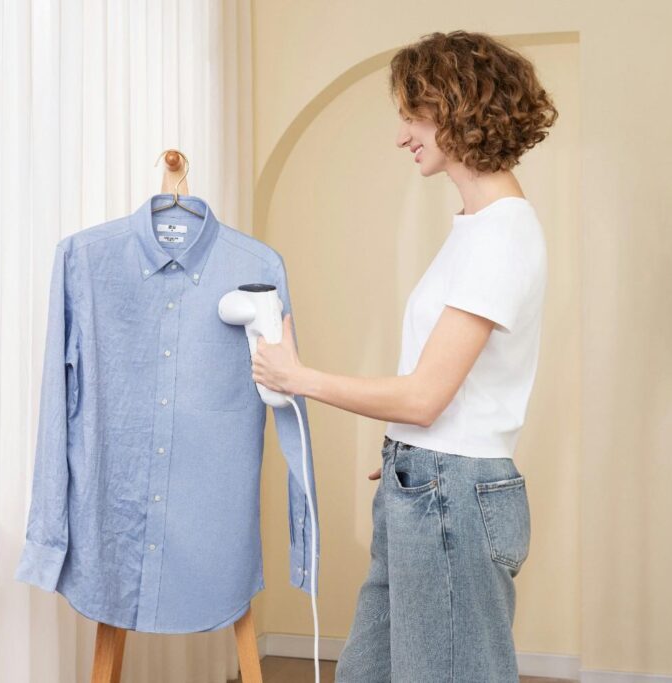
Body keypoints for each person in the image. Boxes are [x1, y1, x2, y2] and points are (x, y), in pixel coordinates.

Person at [251, 30, 558, 683]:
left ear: (458, 107)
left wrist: (298, 376)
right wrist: (405, 455)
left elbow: (425, 395)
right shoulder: (476, 229)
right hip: (424, 482)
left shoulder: (501, 235)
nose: (402, 135)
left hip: (449, 492)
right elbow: (438, 399)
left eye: (412, 115)